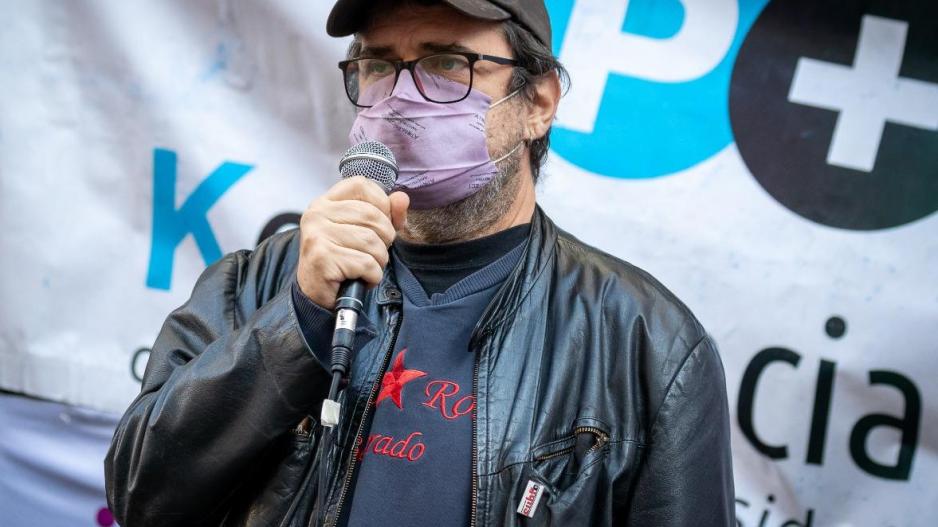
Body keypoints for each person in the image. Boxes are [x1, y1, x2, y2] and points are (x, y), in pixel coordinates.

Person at [105, 0, 735, 525]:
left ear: (538, 103)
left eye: (446, 62)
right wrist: (298, 320)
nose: (401, 98)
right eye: (379, 65)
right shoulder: (265, 279)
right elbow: (141, 496)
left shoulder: (647, 344)